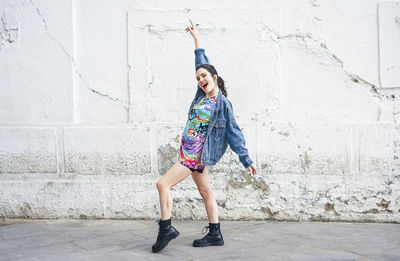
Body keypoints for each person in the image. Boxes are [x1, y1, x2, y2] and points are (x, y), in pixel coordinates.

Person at [152, 20, 257, 253]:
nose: (200, 80)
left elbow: (234, 133)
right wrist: (196, 39)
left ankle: (166, 228)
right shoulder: (201, 97)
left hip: (194, 156)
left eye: (204, 76)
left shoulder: (223, 105)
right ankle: (215, 233)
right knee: (205, 191)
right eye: (198, 78)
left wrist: (246, 159)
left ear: (215, 77)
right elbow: (201, 62)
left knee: (163, 184)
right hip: (189, 152)